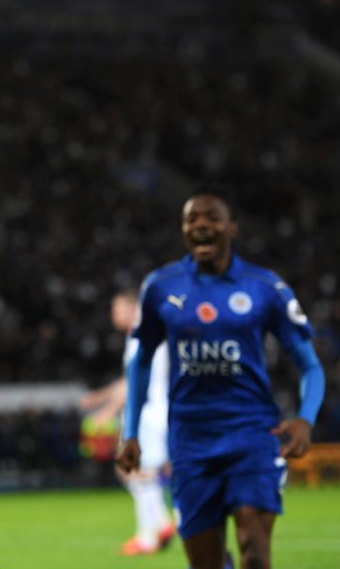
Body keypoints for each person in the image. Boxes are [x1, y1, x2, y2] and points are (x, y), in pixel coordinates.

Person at [117, 192, 325, 569]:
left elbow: (310, 365)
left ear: (232, 228)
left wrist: (306, 418)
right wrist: (130, 431)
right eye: (191, 219)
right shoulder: (161, 286)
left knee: (255, 552)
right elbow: (141, 362)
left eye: (210, 218)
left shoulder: (265, 287)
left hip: (252, 436)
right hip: (191, 441)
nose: (200, 225)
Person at [80, 290, 175, 555]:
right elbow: (128, 379)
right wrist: (99, 398)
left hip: (148, 413)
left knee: (135, 471)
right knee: (136, 473)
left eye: (117, 308)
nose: (114, 314)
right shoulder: (143, 335)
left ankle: (151, 533)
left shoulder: (141, 337)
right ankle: (161, 525)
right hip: (152, 411)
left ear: (133, 309)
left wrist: (107, 411)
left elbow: (135, 382)